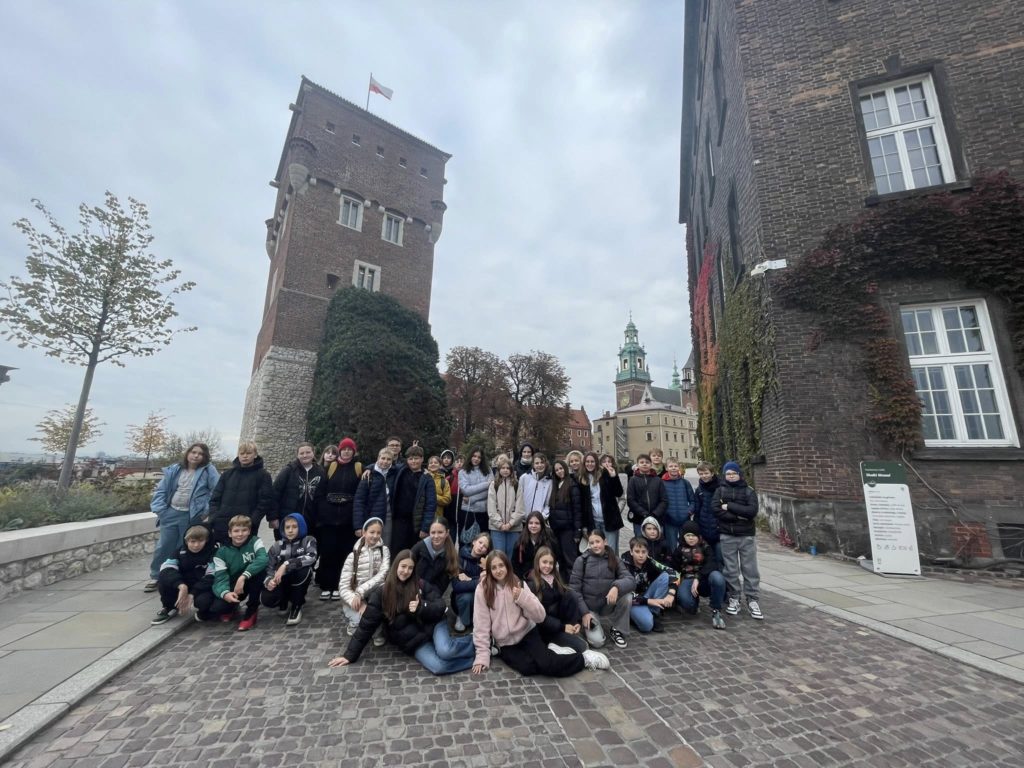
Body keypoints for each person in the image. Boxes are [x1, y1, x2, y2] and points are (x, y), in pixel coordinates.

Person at [327, 550, 475, 675]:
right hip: (414, 641)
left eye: (410, 568)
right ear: (396, 566)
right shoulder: (382, 593)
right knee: (438, 667)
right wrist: (350, 655)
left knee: (446, 651)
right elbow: (366, 626)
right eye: (403, 566)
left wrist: (422, 607)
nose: (406, 571)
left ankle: (479, 642)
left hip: (434, 624)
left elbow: (440, 605)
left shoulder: (420, 584)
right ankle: (475, 660)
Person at [471, 551, 608, 676]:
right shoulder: (483, 590)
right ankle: (553, 653)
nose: (498, 570)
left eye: (501, 565)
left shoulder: (518, 584)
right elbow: (481, 623)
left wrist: (522, 598)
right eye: (494, 567)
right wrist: (482, 655)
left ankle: (583, 659)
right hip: (505, 643)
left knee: (546, 664)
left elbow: (540, 615)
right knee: (527, 668)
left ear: (507, 566)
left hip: (527, 632)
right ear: (489, 570)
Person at [146, 442, 220, 592]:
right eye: (194, 452)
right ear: (188, 453)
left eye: (200, 454)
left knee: (184, 547)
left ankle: (179, 578)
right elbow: (161, 490)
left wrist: (205, 511)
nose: (196, 456)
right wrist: (161, 510)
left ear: (205, 457)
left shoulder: (208, 470)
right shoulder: (175, 469)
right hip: (171, 512)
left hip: (191, 515)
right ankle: (157, 576)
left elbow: (216, 491)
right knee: (164, 545)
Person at [196, 515, 268, 631]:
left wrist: (244, 576)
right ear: (230, 533)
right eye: (236, 531)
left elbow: (263, 559)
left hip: (250, 579)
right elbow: (220, 577)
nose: (240, 534)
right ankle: (232, 607)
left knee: (259, 572)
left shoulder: (255, 541)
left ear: (249, 531)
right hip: (234, 585)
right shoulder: (221, 552)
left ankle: (252, 611)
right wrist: (225, 593)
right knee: (218, 607)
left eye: (244, 530)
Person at [712, 461, 763, 620]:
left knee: (750, 568)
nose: (731, 476)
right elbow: (716, 509)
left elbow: (751, 511)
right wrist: (738, 517)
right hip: (727, 534)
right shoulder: (720, 490)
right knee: (731, 569)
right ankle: (734, 597)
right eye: (728, 474)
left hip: (746, 535)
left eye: (733, 473)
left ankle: (752, 599)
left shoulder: (749, 491)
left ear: (739, 474)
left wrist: (729, 506)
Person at [570, 530, 635, 650]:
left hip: (607, 604)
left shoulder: (614, 559)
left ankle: (617, 630)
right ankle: (586, 624)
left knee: (627, 597)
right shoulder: (581, 561)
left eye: (598, 541)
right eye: (592, 543)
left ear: (605, 541)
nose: (595, 545)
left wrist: (616, 587)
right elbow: (574, 590)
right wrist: (584, 613)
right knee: (598, 643)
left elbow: (630, 580)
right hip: (589, 607)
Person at [316, 437, 362, 600]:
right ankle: (327, 585)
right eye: (344, 449)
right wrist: (324, 511)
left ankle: (339, 585)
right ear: (340, 450)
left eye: (350, 449)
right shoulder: (331, 466)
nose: (347, 452)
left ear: (353, 451)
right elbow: (321, 491)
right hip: (329, 518)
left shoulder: (358, 467)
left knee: (345, 553)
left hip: (347, 519)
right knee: (328, 552)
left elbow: (360, 492)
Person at [206, 442, 275, 546]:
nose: (245, 456)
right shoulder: (227, 474)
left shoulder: (263, 475)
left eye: (248, 453)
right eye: (242, 453)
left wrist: (253, 521)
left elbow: (265, 501)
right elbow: (215, 498)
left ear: (255, 455)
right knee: (221, 553)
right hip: (222, 524)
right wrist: (214, 517)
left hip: (246, 526)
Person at [260, 513, 317, 626]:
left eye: (294, 527)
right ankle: (283, 601)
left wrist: (286, 564)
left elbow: (311, 556)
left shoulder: (308, 540)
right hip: (282, 580)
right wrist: (269, 581)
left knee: (303, 571)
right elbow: (269, 567)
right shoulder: (277, 545)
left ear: (301, 527)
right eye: (287, 527)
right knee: (267, 598)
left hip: (299, 578)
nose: (290, 530)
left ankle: (297, 605)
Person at [151, 524, 216, 625]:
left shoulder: (213, 553)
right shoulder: (179, 552)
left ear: (206, 540)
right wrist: (181, 585)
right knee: (164, 580)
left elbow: (211, 576)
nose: (196, 545)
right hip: (184, 583)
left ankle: (204, 612)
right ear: (186, 541)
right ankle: (170, 607)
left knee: (203, 601)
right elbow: (166, 569)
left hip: (201, 586)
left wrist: (192, 593)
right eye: (192, 541)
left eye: (200, 541)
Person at [529, 546, 588, 653]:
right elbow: (540, 618)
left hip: (559, 624)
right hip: (545, 629)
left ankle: (570, 632)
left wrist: (576, 622)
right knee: (582, 647)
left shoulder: (555, 578)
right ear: (537, 562)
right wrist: (562, 627)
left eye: (551, 563)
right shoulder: (532, 585)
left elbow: (568, 602)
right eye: (544, 562)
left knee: (571, 594)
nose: (548, 566)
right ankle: (553, 646)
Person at [671, 520, 727, 629]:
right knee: (685, 601)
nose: (691, 538)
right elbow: (674, 567)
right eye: (688, 535)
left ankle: (716, 610)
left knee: (718, 578)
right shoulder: (679, 549)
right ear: (684, 536)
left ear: (698, 536)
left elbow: (711, 564)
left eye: (693, 535)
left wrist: (698, 578)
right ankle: (694, 603)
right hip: (688, 578)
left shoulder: (705, 546)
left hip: (704, 578)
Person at [338, 517, 390, 635]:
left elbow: (382, 575)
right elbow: (343, 587)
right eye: (372, 532)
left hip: (375, 596)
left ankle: (377, 629)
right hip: (356, 598)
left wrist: (360, 592)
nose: (375, 536)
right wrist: (357, 601)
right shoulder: (353, 556)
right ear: (364, 533)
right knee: (361, 624)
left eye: (378, 533)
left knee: (375, 625)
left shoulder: (384, 551)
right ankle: (354, 622)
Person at [622, 537, 678, 634]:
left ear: (647, 552)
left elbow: (673, 572)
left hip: (646, 594)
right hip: (632, 600)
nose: (641, 555)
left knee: (665, 576)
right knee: (647, 626)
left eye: (644, 552)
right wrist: (650, 601)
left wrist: (671, 594)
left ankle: (654, 613)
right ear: (631, 552)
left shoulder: (649, 560)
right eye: (637, 551)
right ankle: (633, 616)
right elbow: (625, 594)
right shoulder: (624, 566)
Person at [272, 442, 325, 541]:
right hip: (288, 518)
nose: (305, 455)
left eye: (308, 452)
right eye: (301, 453)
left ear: (313, 453)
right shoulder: (289, 470)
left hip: (310, 520)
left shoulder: (320, 472)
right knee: (286, 547)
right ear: (297, 455)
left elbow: (322, 497)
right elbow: (275, 493)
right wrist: (273, 517)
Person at [391, 446, 437, 553]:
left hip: (416, 523)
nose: (413, 461)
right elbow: (383, 464)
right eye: (410, 459)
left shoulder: (427, 478)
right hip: (399, 521)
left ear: (422, 459)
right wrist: (369, 469)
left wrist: (425, 527)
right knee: (397, 551)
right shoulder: (401, 471)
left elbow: (431, 505)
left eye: (416, 458)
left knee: (414, 552)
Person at [547, 460, 582, 581]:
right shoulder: (555, 485)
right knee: (560, 560)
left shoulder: (572, 485)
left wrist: (577, 532)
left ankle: (573, 586)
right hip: (557, 529)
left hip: (568, 529)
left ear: (565, 469)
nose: (559, 471)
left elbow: (577, 510)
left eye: (561, 468)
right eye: (556, 470)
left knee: (570, 561)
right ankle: (563, 585)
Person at [353, 448, 396, 542]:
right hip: (370, 518)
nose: (385, 461)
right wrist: (358, 525)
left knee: (385, 545)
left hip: (388, 518)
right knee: (369, 546)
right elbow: (359, 501)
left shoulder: (394, 473)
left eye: (388, 459)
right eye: (383, 458)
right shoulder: (368, 475)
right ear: (378, 458)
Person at [452, 531, 491, 632]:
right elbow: (456, 585)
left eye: (485, 546)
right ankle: (462, 617)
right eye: (480, 542)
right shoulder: (460, 558)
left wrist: (470, 579)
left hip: (479, 593)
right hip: (462, 595)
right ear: (474, 542)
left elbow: (488, 582)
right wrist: (478, 581)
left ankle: (479, 619)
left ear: (486, 551)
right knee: (467, 597)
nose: (481, 546)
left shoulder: (486, 562)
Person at [411, 519, 460, 596]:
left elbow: (441, 586)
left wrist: (429, 594)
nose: (436, 536)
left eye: (440, 532)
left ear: (447, 533)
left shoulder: (450, 555)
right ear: (429, 533)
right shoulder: (419, 548)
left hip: (432, 594)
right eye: (433, 532)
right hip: (413, 589)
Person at [487, 457, 522, 558]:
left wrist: (511, 523)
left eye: (508, 468)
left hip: (514, 527)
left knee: (512, 556)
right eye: (503, 468)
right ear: (499, 470)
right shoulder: (494, 484)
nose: (505, 470)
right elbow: (491, 507)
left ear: (511, 470)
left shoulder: (516, 484)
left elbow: (520, 507)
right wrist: (500, 524)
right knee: (499, 556)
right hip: (497, 528)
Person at [626, 453, 666, 539]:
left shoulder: (658, 480)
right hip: (639, 519)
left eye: (647, 462)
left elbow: (664, 500)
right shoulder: (633, 480)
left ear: (651, 464)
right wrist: (644, 513)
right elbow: (630, 500)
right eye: (642, 462)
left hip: (657, 518)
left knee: (657, 542)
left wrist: (655, 513)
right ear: (637, 465)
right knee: (640, 542)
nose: (644, 464)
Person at [661, 458, 695, 553]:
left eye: (675, 466)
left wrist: (688, 511)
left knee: (686, 547)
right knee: (672, 548)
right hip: (669, 521)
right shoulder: (662, 483)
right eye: (671, 466)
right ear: (666, 468)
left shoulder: (685, 483)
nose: (673, 468)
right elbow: (660, 501)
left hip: (684, 520)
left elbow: (693, 501)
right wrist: (666, 513)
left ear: (679, 467)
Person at [512, 511, 558, 579]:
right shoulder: (521, 540)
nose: (533, 526)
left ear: (542, 525)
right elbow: (515, 562)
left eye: (537, 523)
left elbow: (556, 556)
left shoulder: (549, 538)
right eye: (531, 523)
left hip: (546, 573)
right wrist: (521, 579)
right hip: (527, 576)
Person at [694, 461, 723, 566]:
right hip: (705, 529)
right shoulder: (699, 490)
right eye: (701, 474)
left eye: (706, 473)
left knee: (720, 558)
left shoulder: (721, 487)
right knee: (708, 559)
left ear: (712, 473)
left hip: (719, 529)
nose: (704, 476)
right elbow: (697, 510)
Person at [458, 447, 492, 537]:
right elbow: (466, 490)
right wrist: (486, 484)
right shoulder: (463, 472)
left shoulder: (488, 470)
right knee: (467, 540)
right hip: (468, 511)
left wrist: (472, 499)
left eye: (479, 457)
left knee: (483, 541)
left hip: (484, 511)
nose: (476, 459)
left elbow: (490, 491)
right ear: (470, 456)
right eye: (474, 456)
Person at [598, 454, 626, 554]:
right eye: (604, 461)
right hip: (597, 518)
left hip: (610, 519)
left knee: (611, 550)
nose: (607, 464)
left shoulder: (614, 476)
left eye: (609, 461)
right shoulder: (597, 476)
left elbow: (619, 494)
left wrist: (613, 477)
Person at [517, 453, 551, 521]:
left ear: (545, 464)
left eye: (542, 462)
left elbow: (548, 503)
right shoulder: (524, 478)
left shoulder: (549, 482)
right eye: (537, 463)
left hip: (538, 521)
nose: (540, 465)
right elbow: (518, 499)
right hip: (522, 519)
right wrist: (520, 514)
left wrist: (542, 517)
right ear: (533, 465)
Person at [427, 455, 453, 532]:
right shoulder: (423, 478)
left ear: (440, 465)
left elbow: (447, 499)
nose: (433, 464)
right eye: (431, 463)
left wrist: (433, 496)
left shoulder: (444, 481)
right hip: (423, 516)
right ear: (428, 466)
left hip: (437, 516)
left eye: (435, 462)